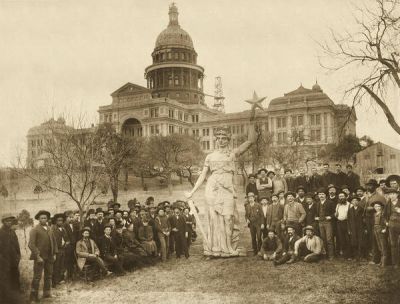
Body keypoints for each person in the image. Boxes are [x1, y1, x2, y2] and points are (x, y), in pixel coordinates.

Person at [185, 119, 257, 258]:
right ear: (216, 140)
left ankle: (229, 247)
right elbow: (202, 175)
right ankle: (216, 248)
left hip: (228, 189)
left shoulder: (232, 154)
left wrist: (252, 119)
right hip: (212, 188)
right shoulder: (210, 156)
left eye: (224, 138)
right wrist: (192, 192)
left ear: (228, 140)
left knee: (229, 217)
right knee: (214, 218)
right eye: (219, 138)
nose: (221, 140)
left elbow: (250, 141)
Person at [29, 210, 58, 302]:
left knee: (48, 275)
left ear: (48, 219)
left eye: (45, 218)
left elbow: (54, 242)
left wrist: (54, 254)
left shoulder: (50, 229)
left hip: (49, 257)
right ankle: (33, 297)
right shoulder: (35, 229)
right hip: (40, 258)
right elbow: (31, 244)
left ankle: (47, 293)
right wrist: (37, 256)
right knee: (37, 277)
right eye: (42, 218)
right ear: (38, 219)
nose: (44, 219)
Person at [0, 214, 21, 303]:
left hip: (14, 260)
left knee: (15, 276)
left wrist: (18, 256)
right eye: (7, 221)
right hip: (4, 261)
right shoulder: (1, 233)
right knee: (5, 279)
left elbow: (17, 245)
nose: (9, 222)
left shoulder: (12, 232)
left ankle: (16, 297)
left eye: (10, 221)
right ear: (3, 222)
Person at [315, 188, 336, 259]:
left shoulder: (330, 203)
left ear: (325, 195)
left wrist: (330, 216)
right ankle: (325, 254)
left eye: (322, 194)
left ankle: (331, 255)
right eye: (320, 194)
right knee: (323, 239)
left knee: (329, 239)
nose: (321, 196)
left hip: (328, 223)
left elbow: (335, 213)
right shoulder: (317, 203)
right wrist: (316, 217)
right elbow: (316, 214)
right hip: (320, 223)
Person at [51, 213, 69, 288]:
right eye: (58, 220)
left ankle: (60, 279)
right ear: (55, 221)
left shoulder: (64, 229)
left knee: (62, 265)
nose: (60, 222)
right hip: (57, 250)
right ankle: (54, 282)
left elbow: (67, 239)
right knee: (56, 266)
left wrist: (66, 243)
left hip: (63, 249)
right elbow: (52, 241)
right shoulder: (53, 229)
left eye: (61, 220)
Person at [384, 188, 400, 268]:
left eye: (393, 194)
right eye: (390, 194)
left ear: (397, 194)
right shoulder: (388, 204)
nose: (391, 195)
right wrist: (387, 222)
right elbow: (384, 215)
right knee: (393, 244)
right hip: (391, 226)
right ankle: (395, 263)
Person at [370, 201, 388, 266]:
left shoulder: (383, 214)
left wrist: (385, 229)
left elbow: (386, 222)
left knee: (383, 245)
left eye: (378, 206)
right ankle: (380, 261)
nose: (377, 208)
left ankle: (384, 262)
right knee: (379, 245)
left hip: (381, 229)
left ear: (381, 207)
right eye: (375, 206)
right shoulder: (374, 214)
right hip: (375, 229)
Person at [348, 196, 366, 260]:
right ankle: (355, 256)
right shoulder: (350, 210)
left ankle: (362, 255)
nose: (355, 202)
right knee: (354, 242)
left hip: (360, 228)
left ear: (358, 202)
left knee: (361, 242)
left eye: (356, 200)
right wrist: (349, 229)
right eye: (353, 201)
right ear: (351, 202)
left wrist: (365, 228)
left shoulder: (362, 209)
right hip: (353, 228)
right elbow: (349, 220)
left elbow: (364, 219)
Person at [335, 192, 351, 258]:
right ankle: (344, 254)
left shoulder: (349, 205)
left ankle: (349, 254)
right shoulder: (338, 205)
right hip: (339, 223)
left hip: (347, 223)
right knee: (341, 239)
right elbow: (336, 214)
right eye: (340, 196)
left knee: (348, 238)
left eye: (342, 196)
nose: (341, 198)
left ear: (346, 197)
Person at [63, 210, 78, 282]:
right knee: (68, 261)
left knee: (73, 260)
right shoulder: (64, 225)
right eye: (70, 217)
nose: (71, 219)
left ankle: (73, 275)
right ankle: (68, 276)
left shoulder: (74, 224)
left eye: (72, 217)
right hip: (68, 247)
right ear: (66, 218)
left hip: (74, 245)